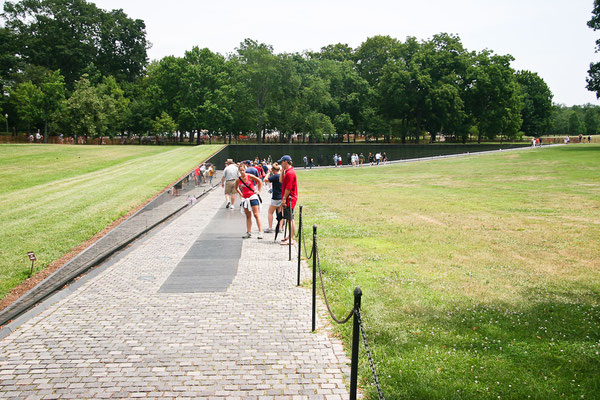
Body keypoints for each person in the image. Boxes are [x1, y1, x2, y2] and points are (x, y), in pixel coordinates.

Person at [236, 163, 263, 239]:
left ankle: (260, 232)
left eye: (243, 170)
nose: (242, 172)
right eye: (240, 170)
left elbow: (259, 181)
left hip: (252, 197)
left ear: (245, 170)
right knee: (248, 216)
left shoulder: (249, 176)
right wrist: (241, 194)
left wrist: (258, 190)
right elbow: (236, 187)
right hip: (245, 198)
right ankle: (248, 232)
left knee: (256, 214)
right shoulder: (238, 179)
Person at [278, 155, 298, 245]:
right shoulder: (287, 172)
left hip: (290, 198)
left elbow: (288, 188)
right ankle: (290, 236)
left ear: (286, 161)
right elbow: (281, 181)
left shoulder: (290, 173)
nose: (281, 164)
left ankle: (291, 239)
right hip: (288, 198)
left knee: (290, 219)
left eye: (282, 162)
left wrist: (284, 199)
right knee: (289, 218)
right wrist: (282, 172)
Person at [263, 163, 283, 233]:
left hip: (275, 197)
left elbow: (265, 180)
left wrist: (269, 173)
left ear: (274, 170)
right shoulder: (282, 175)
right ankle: (280, 228)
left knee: (270, 212)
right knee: (281, 213)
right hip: (282, 197)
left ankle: (270, 227)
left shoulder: (275, 176)